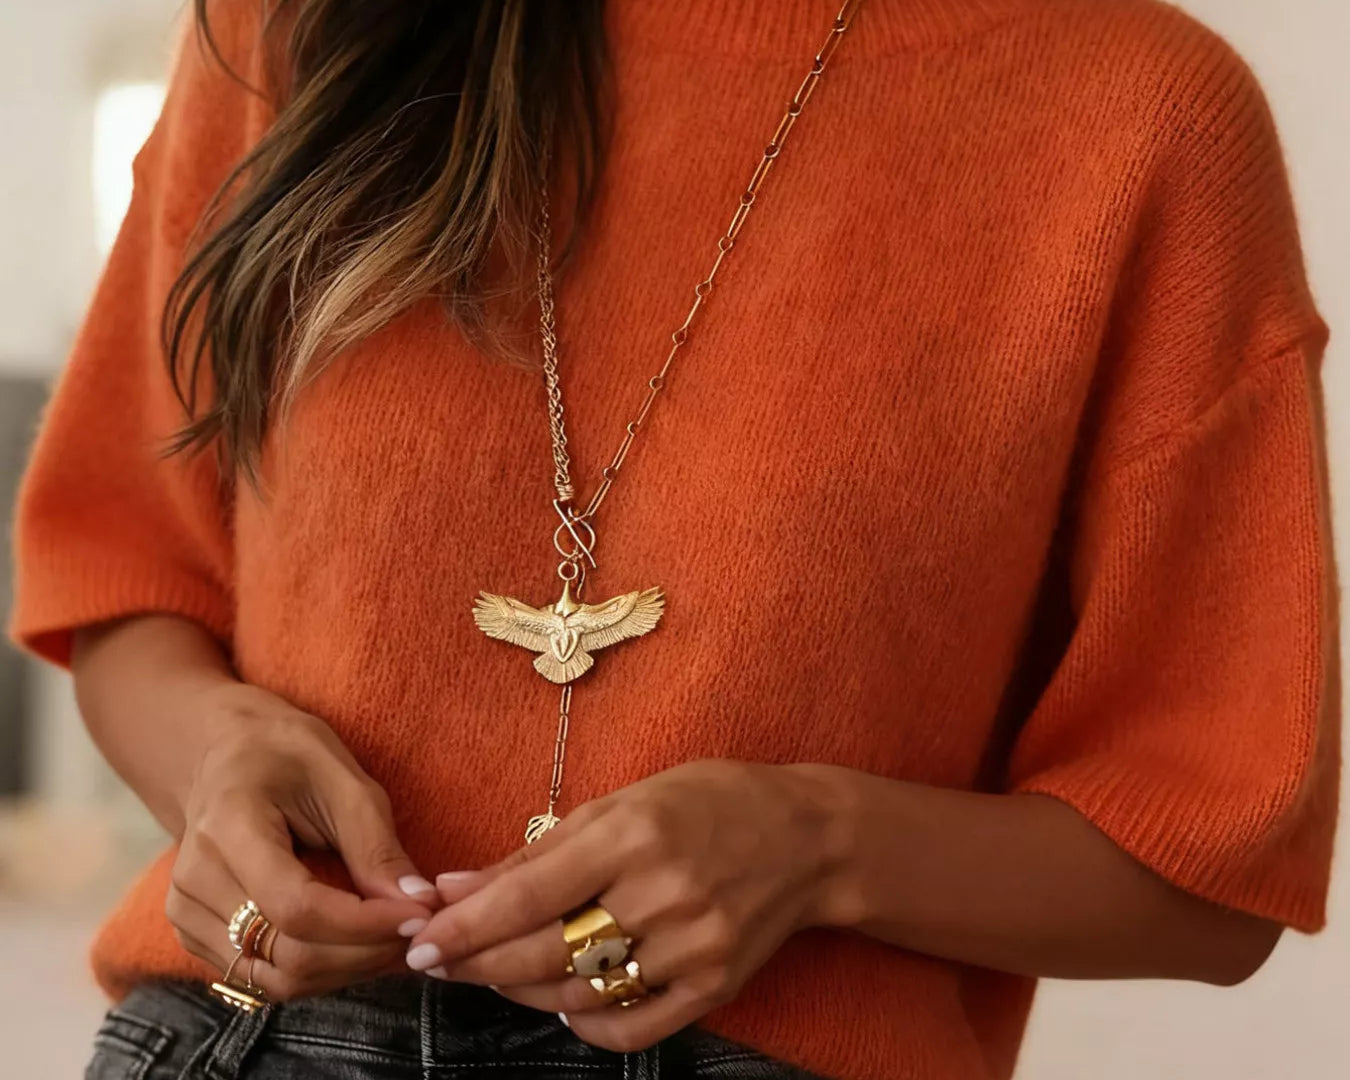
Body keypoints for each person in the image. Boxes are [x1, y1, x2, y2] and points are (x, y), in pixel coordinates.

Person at [8, 1, 1338, 1078]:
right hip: (253, 1043)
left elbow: (1205, 872)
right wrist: (218, 770)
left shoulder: (1136, 113)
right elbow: (128, 578)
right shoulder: (298, 29)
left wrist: (812, 841)